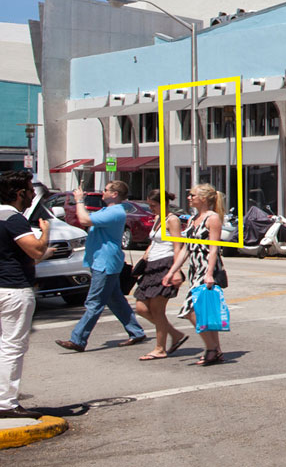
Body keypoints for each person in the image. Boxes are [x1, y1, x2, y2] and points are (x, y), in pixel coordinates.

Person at [56, 180, 148, 353]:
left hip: (105, 263)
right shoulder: (107, 210)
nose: (102, 192)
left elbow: (84, 219)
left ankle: (78, 339)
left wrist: (80, 200)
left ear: (114, 194)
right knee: (115, 300)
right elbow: (86, 219)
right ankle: (136, 332)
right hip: (101, 261)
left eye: (106, 190)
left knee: (94, 302)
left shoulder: (115, 212)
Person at [0, 171, 50, 419]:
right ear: (20, 194)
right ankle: (7, 403)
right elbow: (36, 251)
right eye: (31, 191)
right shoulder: (13, 219)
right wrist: (45, 232)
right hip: (13, 290)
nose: (33, 196)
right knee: (12, 347)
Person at [162, 184, 226, 366]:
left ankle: (212, 348)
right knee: (206, 312)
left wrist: (209, 274)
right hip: (195, 269)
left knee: (190, 310)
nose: (189, 198)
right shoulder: (192, 219)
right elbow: (185, 249)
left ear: (203, 198)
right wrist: (172, 271)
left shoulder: (212, 218)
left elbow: (214, 249)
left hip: (207, 268)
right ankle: (215, 350)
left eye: (192, 195)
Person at [133, 190, 187, 361]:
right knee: (141, 307)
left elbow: (178, 246)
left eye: (153, 205)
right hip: (151, 266)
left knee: (157, 310)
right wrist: (143, 259)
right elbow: (153, 241)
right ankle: (174, 334)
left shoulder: (173, 220)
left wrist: (176, 271)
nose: (151, 209)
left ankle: (160, 348)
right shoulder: (158, 219)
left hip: (165, 265)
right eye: (149, 205)